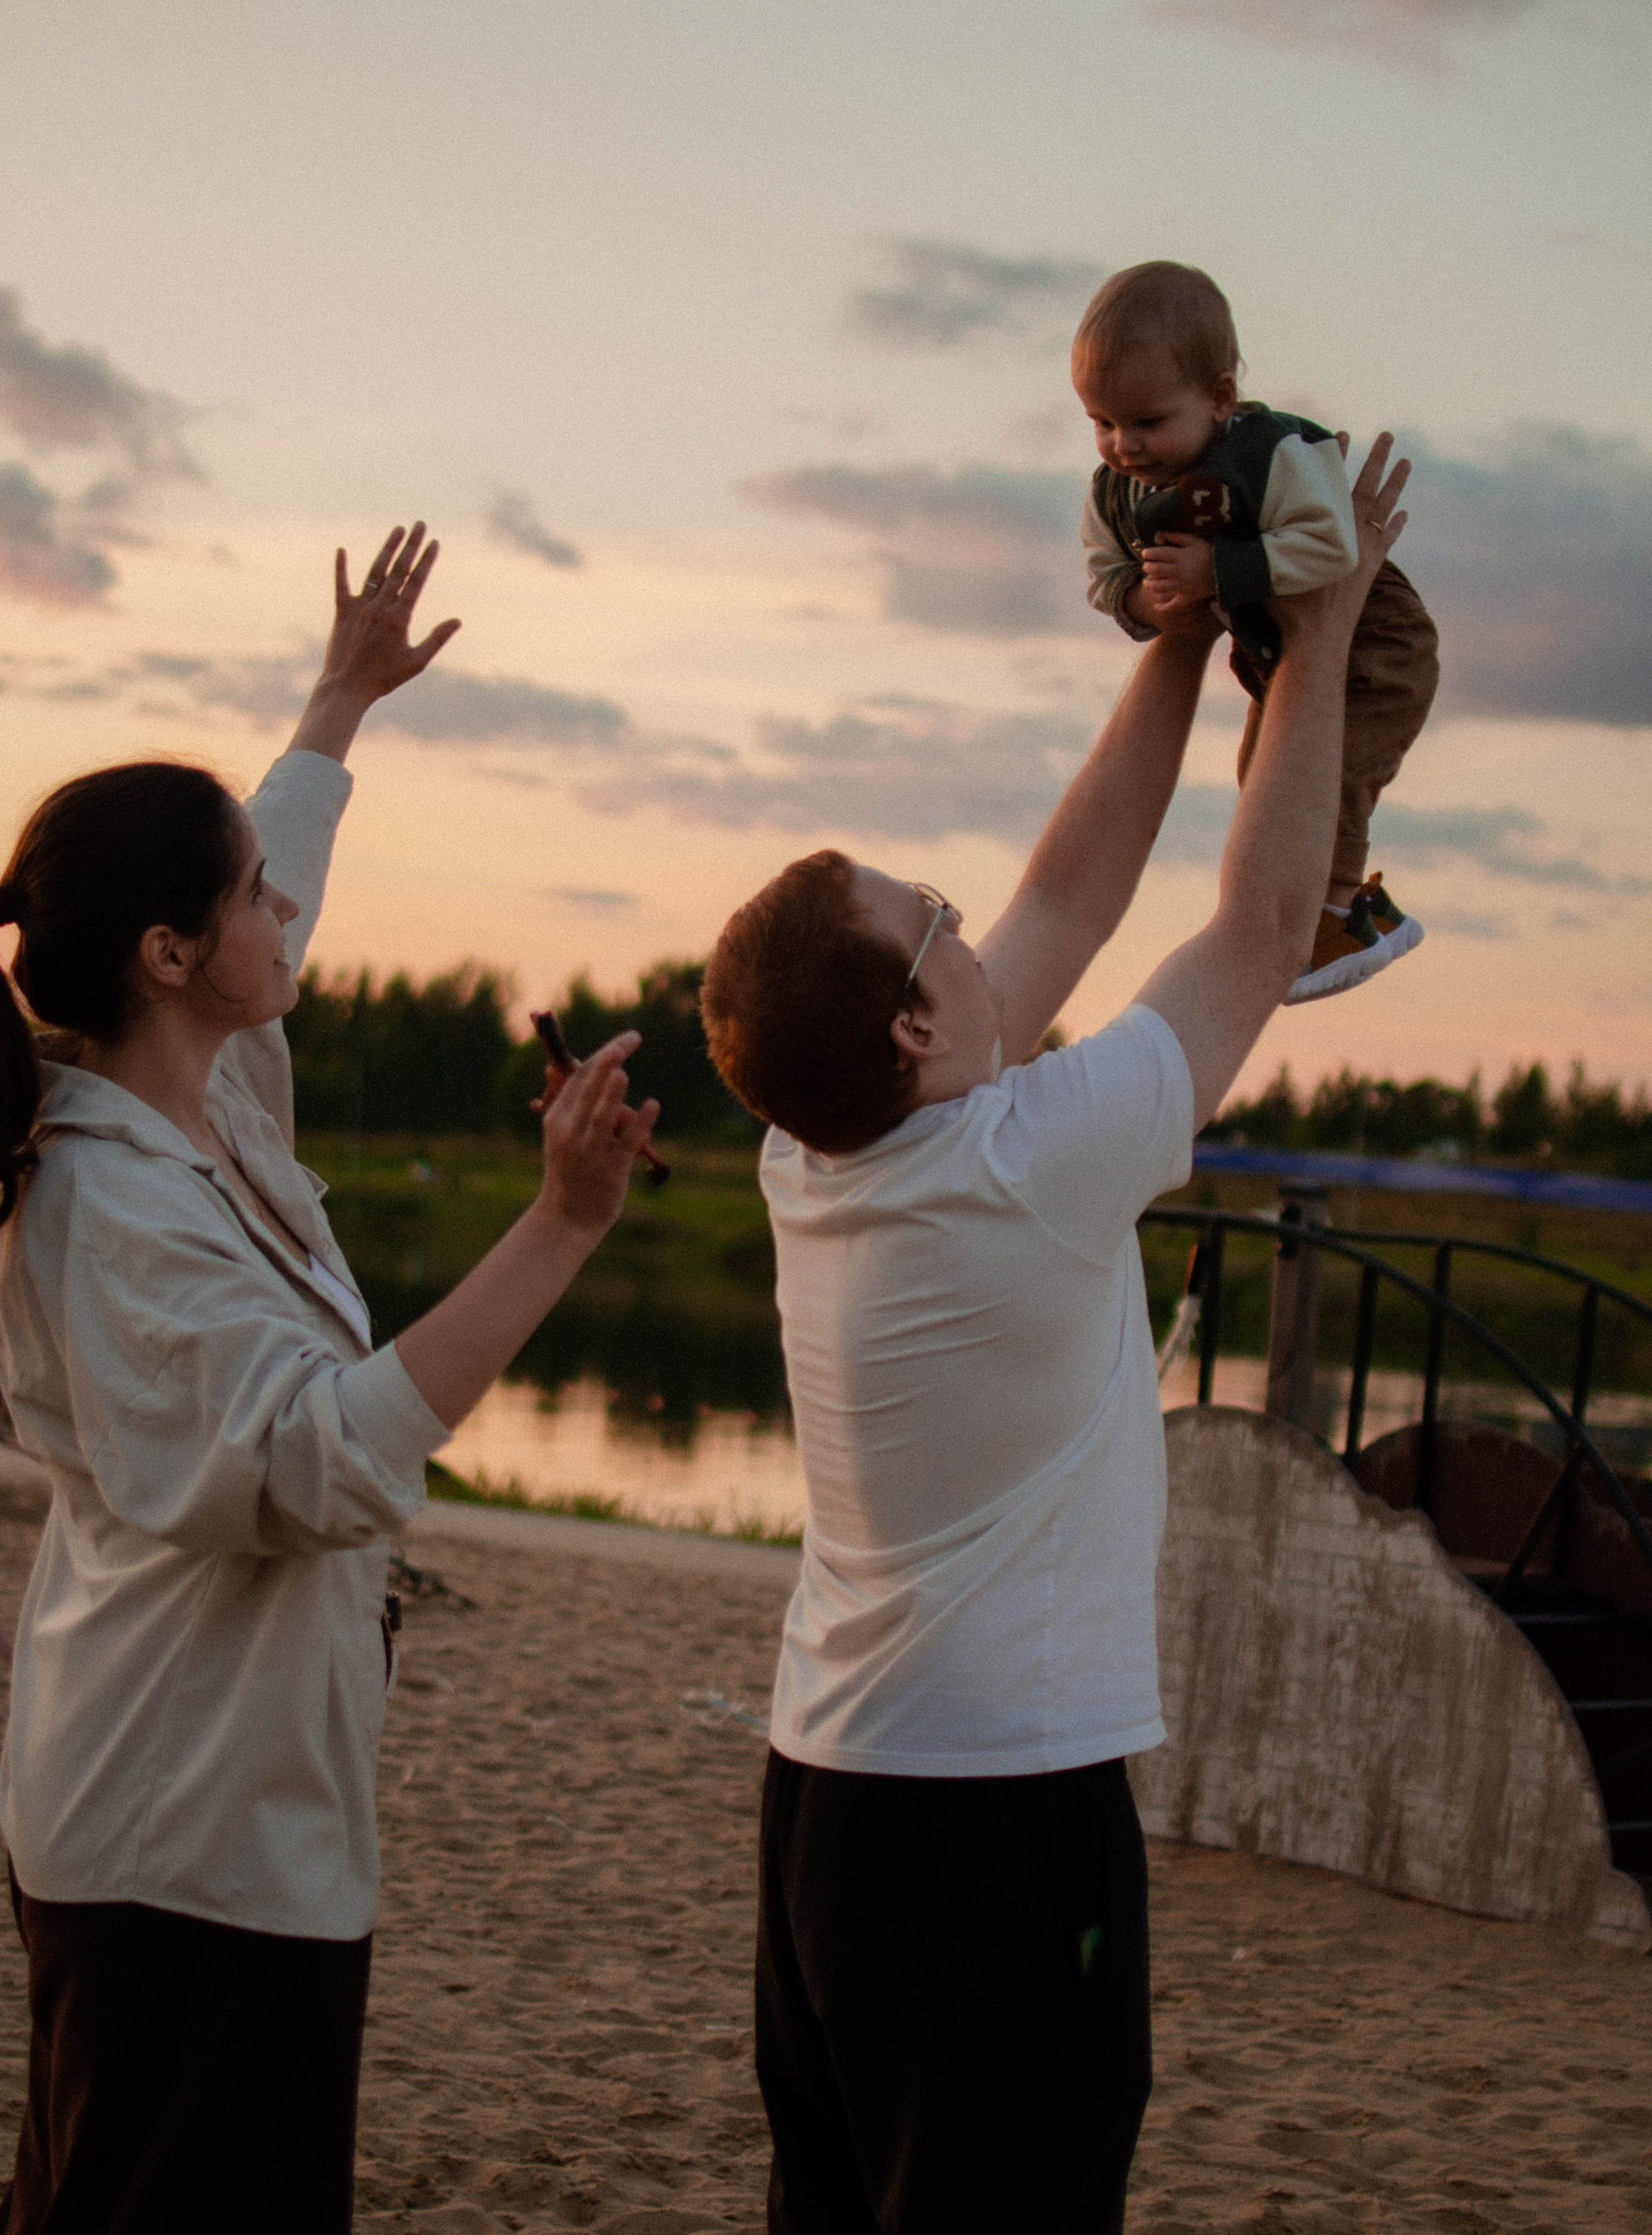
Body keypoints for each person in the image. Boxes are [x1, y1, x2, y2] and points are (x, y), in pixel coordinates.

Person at [0, 525, 659, 2234]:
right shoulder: (103, 1207)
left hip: (231, 1827)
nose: (280, 907)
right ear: (165, 953)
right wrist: (560, 1226)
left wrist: (337, 703)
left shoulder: (197, 1102)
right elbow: (317, 1467)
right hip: (178, 1847)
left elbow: (272, 854)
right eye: (242, 897)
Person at [701, 443, 1411, 2233]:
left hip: (832, 1800)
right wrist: (1313, 632)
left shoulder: (815, 1146)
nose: (965, 919)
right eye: (932, 927)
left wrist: (1175, 627)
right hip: (987, 1817)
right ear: (925, 1034)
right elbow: (1254, 924)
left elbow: (1075, 895)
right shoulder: (1023, 1162)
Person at [1074, 261, 1438, 1005]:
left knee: (1330, 773)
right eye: (1102, 423)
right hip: (1276, 652)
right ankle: (1325, 916)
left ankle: (1340, 912)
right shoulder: (1117, 492)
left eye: (1147, 421)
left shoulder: (1269, 454)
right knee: (1266, 782)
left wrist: (1219, 570)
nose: (1123, 445)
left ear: (1219, 399)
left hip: (1375, 640)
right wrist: (1148, 603)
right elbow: (1103, 573)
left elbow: (1334, 546)